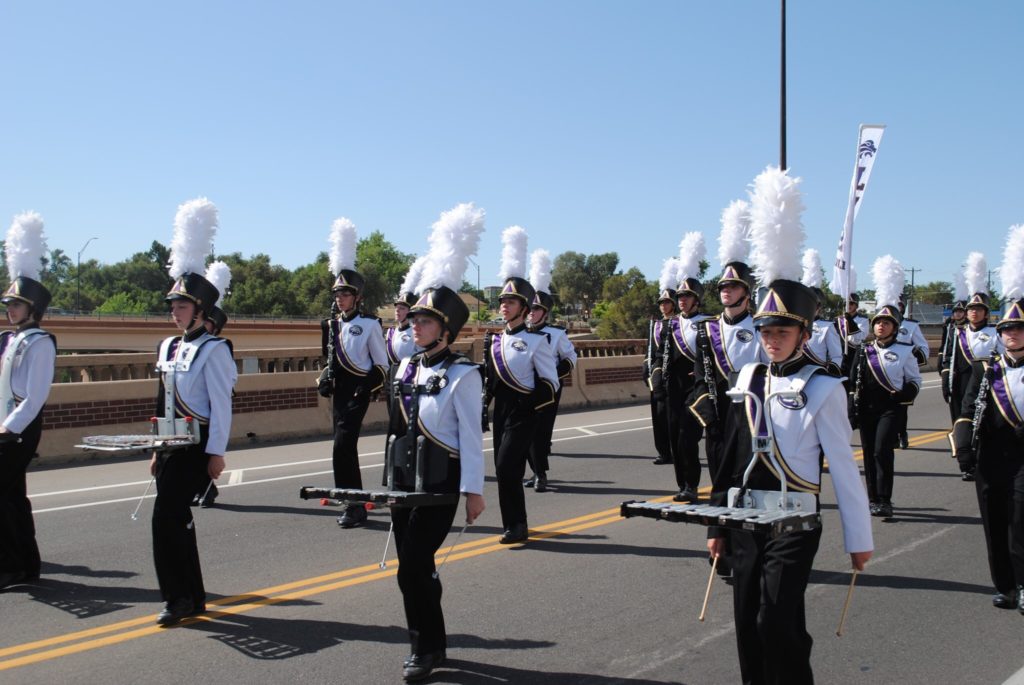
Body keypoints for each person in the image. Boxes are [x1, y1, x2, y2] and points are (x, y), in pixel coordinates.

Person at [707, 166, 872, 685]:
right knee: (746, 623)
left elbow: (843, 467)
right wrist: (718, 524)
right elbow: (731, 456)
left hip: (797, 520)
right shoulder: (748, 376)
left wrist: (858, 536)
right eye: (766, 330)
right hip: (747, 518)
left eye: (782, 330)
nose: (772, 339)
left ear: (803, 332)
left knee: (776, 618)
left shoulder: (824, 386)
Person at [391, 286, 485, 681]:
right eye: (414, 320)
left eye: (425, 321)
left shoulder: (463, 375)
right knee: (414, 568)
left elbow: (470, 436)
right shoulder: (405, 368)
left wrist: (473, 490)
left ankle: (424, 649)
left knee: (412, 567)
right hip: (403, 484)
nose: (416, 326)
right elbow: (397, 430)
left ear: (445, 331)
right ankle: (435, 641)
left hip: (441, 484)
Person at [150, 198, 237, 625]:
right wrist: (156, 448)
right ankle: (187, 595)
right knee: (168, 519)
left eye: (181, 306)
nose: (174, 311)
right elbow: (161, 397)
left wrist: (216, 453)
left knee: (168, 516)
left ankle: (180, 597)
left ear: (201, 311)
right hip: (169, 443)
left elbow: (222, 404)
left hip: (197, 444)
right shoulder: (168, 346)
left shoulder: (216, 349)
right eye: (172, 306)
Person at [485, 246, 558, 544]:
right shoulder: (494, 340)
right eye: (502, 300)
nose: (504, 305)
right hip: (501, 412)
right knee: (504, 470)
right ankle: (514, 524)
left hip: (524, 413)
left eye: (511, 301)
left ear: (524, 308)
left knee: (506, 465)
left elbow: (550, 383)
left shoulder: (537, 341)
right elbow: (491, 380)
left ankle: (517, 525)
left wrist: (529, 405)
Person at [0, 212, 56, 591]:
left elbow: (34, 396)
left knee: (5, 494)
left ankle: (16, 564)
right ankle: (25, 563)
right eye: (9, 303)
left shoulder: (40, 342)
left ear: (33, 308)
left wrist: (7, 429)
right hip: (6, 425)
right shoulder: (10, 338)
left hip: (19, 427)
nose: (11, 309)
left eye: (18, 304)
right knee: (11, 494)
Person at [321, 219, 389, 529]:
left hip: (359, 390)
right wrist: (325, 377)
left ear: (357, 297)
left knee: (343, 445)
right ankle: (351, 498)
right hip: (340, 392)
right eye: (337, 294)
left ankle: (356, 505)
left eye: (345, 294)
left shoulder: (371, 324)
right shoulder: (331, 325)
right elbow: (330, 358)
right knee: (340, 444)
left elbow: (382, 365)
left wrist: (366, 389)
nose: (340, 299)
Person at [850, 296, 922, 518]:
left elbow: (914, 381)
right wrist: (852, 407)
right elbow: (853, 381)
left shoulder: (904, 351)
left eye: (887, 323)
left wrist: (904, 394)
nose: (881, 326)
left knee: (882, 450)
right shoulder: (864, 350)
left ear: (894, 327)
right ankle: (873, 499)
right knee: (869, 454)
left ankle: (884, 499)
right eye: (878, 322)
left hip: (890, 408)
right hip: (866, 408)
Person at [525, 250, 577, 492]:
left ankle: (541, 474)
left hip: (548, 389)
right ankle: (534, 469)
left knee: (540, 432)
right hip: (524, 385)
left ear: (545, 312)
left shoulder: (557, 334)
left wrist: (553, 377)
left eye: (536, 310)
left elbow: (570, 359)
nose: (531, 313)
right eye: (530, 309)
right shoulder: (521, 334)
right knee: (524, 433)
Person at [667, 275, 709, 502]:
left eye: (687, 296)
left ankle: (691, 484)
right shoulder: (670, 323)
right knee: (675, 438)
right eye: (680, 296)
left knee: (688, 437)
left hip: (695, 386)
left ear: (697, 300)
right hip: (674, 386)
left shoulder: (708, 323)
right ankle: (682, 483)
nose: (682, 300)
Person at [647, 264, 678, 466]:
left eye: (667, 302)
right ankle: (663, 452)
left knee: (673, 417)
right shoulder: (657, 325)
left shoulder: (679, 323)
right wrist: (647, 369)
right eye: (661, 302)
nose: (663, 306)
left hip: (674, 372)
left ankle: (676, 451)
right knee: (658, 414)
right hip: (658, 372)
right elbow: (651, 349)